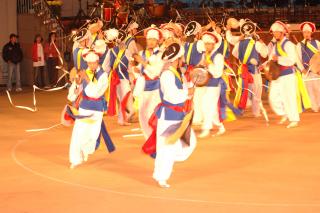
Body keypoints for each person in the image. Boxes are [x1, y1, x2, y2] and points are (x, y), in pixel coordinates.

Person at [152, 42, 196, 188]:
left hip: (179, 115)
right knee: (165, 147)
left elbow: (183, 90)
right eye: (180, 58)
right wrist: (187, 93)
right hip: (169, 116)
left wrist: (191, 87)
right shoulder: (166, 75)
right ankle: (161, 176)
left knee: (189, 142)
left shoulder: (177, 74)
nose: (182, 60)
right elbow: (172, 96)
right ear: (176, 59)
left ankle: (168, 161)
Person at [68, 50, 108, 169]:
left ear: (97, 61)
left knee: (92, 136)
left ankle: (85, 150)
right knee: (78, 133)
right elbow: (73, 94)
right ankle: (75, 159)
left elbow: (95, 93)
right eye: (89, 63)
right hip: (84, 107)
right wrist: (76, 86)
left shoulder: (103, 76)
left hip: (97, 109)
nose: (91, 65)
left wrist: (86, 79)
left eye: (93, 63)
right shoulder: (84, 73)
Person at [268, 21, 300, 128]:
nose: (275, 34)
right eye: (274, 33)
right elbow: (271, 58)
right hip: (277, 75)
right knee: (273, 97)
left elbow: (292, 60)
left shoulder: (289, 44)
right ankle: (284, 113)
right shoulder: (275, 45)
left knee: (289, 97)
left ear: (283, 33)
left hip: (288, 75)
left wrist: (278, 59)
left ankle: (294, 119)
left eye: (277, 32)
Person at [198, 31, 226, 138]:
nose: (207, 46)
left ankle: (206, 128)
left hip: (214, 85)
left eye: (209, 44)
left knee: (207, 106)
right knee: (211, 108)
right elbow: (201, 68)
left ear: (213, 44)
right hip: (206, 84)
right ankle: (220, 126)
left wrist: (209, 64)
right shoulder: (205, 55)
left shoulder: (218, 56)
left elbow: (218, 73)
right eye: (205, 44)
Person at [296, 22, 320, 113]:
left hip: (316, 70)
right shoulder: (299, 45)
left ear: (311, 33)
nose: (306, 34)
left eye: (308, 32)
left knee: (318, 88)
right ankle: (314, 107)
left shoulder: (317, 43)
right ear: (302, 33)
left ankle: (318, 104)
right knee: (309, 89)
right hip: (306, 71)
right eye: (304, 32)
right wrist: (302, 69)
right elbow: (297, 59)